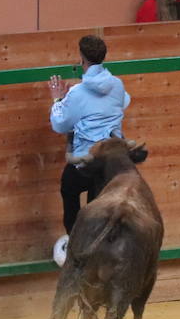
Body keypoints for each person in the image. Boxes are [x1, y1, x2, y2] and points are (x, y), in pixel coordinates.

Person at [47, 34, 130, 265]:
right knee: (97, 201)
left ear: (82, 59)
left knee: (69, 189)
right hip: (112, 162)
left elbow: (60, 124)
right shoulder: (117, 85)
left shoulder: (77, 94)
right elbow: (123, 102)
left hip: (85, 162)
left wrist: (58, 100)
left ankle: (76, 242)